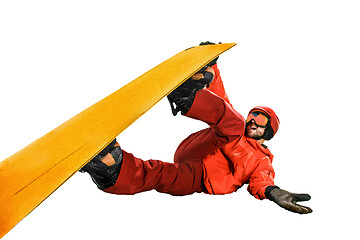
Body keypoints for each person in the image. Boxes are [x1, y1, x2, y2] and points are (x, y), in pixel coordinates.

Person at [80, 42, 312, 214]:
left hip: (201, 177)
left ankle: (111, 168)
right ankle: (187, 95)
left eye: (261, 121)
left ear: (269, 132)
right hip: (204, 147)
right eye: (253, 116)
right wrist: (211, 65)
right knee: (231, 121)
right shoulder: (237, 128)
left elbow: (262, 180)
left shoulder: (262, 160)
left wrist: (273, 192)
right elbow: (220, 100)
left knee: (162, 176)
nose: (253, 122)